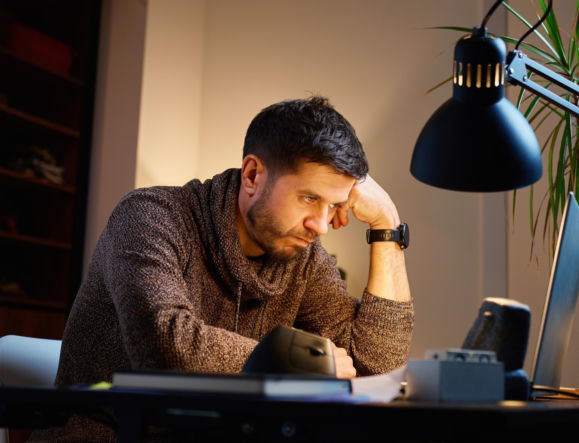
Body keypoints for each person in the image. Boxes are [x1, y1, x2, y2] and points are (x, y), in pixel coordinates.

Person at [37, 96, 413, 440]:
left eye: (333, 206)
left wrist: (387, 226)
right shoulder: (149, 217)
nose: (321, 225)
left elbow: (376, 370)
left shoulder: (303, 257)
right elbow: (166, 344)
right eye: (309, 198)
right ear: (252, 175)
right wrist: (300, 363)